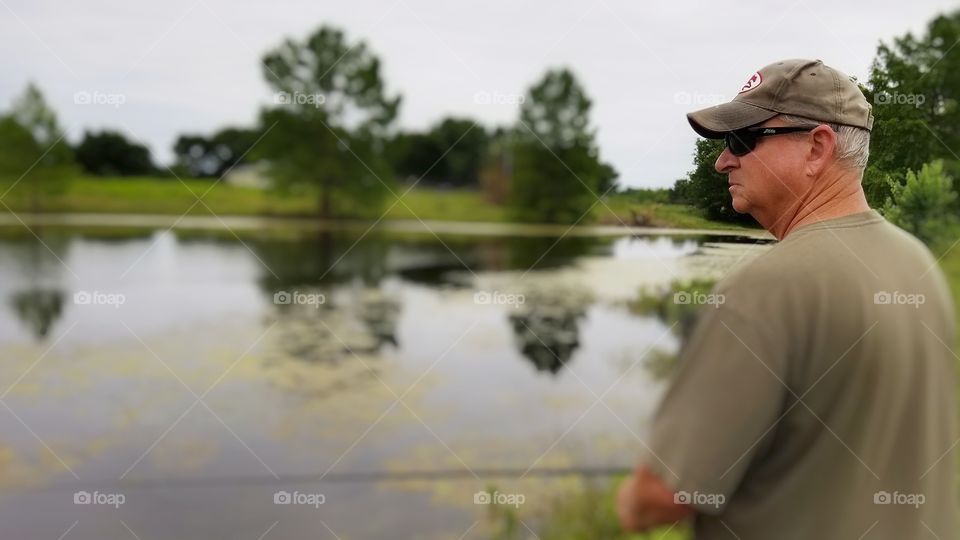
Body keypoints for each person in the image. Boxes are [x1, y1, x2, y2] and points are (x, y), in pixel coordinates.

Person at [616, 58, 958, 538]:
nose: (722, 160)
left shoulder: (762, 292)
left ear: (817, 148)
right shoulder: (919, 263)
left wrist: (628, 499)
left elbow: (663, 495)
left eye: (742, 139)